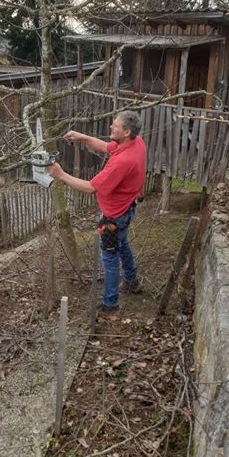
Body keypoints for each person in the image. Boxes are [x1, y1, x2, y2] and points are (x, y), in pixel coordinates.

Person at [48, 111, 146, 314]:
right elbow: (104, 147)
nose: (111, 127)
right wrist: (82, 137)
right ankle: (131, 280)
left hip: (115, 216)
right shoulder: (136, 143)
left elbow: (90, 187)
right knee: (122, 243)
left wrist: (61, 174)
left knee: (109, 257)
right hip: (127, 208)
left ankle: (110, 304)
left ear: (127, 132)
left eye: (115, 126)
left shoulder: (122, 162)